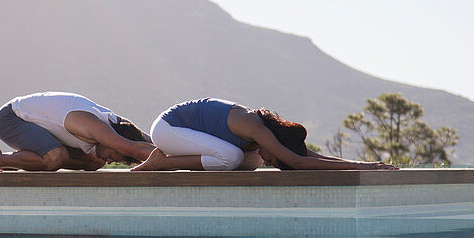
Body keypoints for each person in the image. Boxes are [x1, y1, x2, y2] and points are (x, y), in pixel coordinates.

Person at [131, 98, 398, 172]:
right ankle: (163, 162)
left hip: (187, 136)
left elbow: (302, 156)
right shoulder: (255, 128)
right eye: (276, 155)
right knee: (233, 157)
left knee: (250, 162)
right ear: (276, 142)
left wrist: (357, 165)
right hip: (168, 129)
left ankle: (173, 161)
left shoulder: (265, 135)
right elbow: (298, 162)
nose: (271, 161)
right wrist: (359, 166)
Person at [0, 91, 154, 171]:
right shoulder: (95, 126)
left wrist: (169, 150)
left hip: (43, 129)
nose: (109, 161)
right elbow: (133, 148)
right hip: (12, 118)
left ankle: (21, 160)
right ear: (115, 142)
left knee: (94, 163)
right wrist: (175, 163)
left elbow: (145, 141)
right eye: (114, 157)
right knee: (55, 157)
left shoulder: (118, 124)